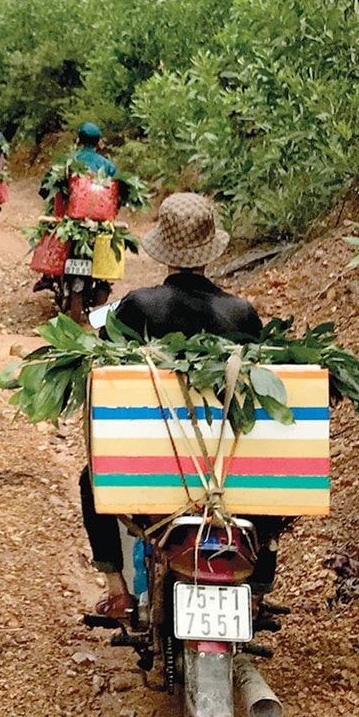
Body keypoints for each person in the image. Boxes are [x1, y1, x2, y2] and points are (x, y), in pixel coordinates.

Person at [80, 191, 292, 617]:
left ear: (164, 250)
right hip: (231, 475)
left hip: (154, 470)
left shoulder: (138, 306)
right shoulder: (243, 314)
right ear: (210, 251)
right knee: (276, 492)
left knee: (92, 481)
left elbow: (102, 371)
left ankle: (118, 590)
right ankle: (257, 590)